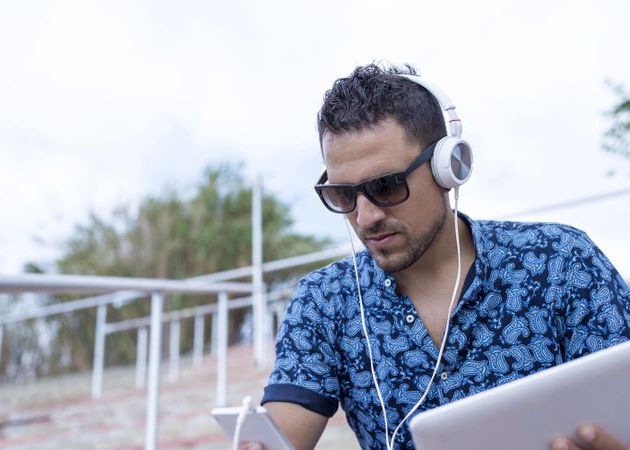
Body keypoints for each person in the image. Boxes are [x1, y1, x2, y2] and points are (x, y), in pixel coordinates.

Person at [249, 63, 630, 450]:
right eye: (344, 195)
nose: (365, 217)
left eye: (385, 185)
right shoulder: (326, 300)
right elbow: (280, 435)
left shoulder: (560, 261)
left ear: (448, 167)